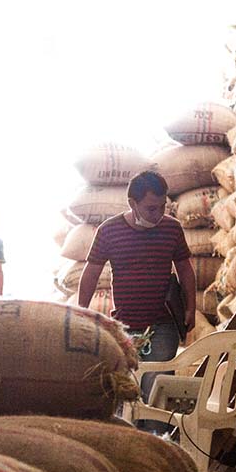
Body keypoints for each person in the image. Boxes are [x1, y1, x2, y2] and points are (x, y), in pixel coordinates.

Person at [77, 170, 195, 402]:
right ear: (133, 203)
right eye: (151, 208)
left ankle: (152, 426)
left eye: (162, 207)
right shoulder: (109, 231)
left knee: (155, 389)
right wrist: (81, 311)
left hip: (164, 325)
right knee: (128, 392)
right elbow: (91, 272)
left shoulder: (172, 229)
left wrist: (191, 307)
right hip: (125, 327)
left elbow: (185, 269)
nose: (158, 214)